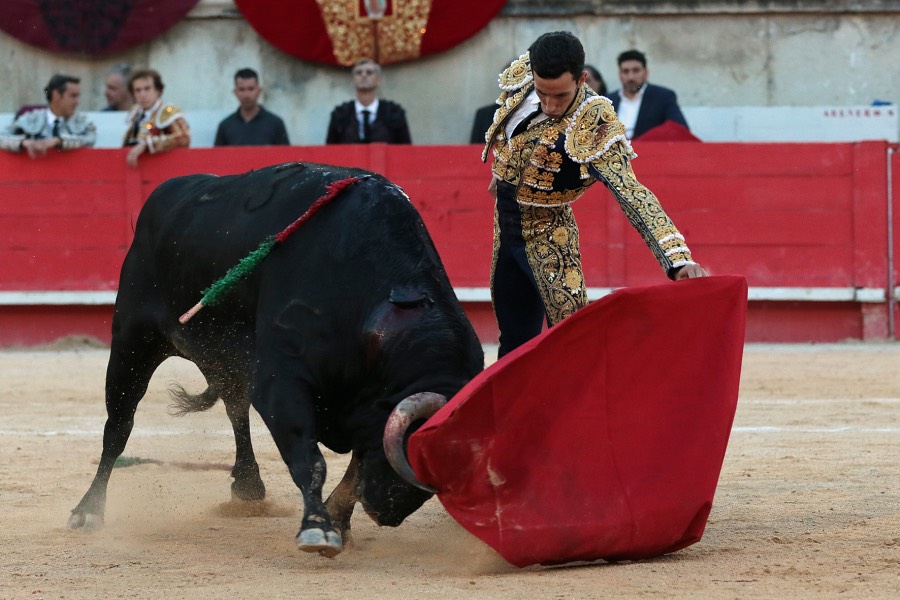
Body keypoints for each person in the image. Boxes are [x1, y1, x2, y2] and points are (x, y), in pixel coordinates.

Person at [482, 31, 708, 358]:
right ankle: (513, 411)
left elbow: (632, 193)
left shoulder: (595, 121)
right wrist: (502, 172)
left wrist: (677, 258)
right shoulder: (524, 78)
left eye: (559, 96)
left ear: (582, 78)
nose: (550, 105)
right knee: (514, 339)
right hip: (505, 227)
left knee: (572, 338)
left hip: (549, 236)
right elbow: (510, 125)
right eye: (542, 93)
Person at [0, 74, 96, 158]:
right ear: (56, 95)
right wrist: (24, 142)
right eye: (73, 96)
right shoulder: (31, 119)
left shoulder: (82, 122)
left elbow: (90, 140)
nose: (77, 102)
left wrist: (58, 141)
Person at [606, 49, 689, 139]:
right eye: (626, 71)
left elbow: (680, 129)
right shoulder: (607, 100)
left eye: (636, 70)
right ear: (620, 74)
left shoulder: (663, 97)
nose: (631, 77)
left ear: (646, 72)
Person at [326, 59, 411, 144]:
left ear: (378, 80)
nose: (364, 75)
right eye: (359, 73)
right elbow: (329, 152)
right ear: (353, 80)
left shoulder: (394, 113)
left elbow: (406, 151)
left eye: (369, 72)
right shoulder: (340, 114)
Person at [123, 67, 190, 167]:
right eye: (138, 90)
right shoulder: (135, 114)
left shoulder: (168, 112)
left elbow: (184, 138)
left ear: (158, 90)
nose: (142, 94)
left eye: (147, 89)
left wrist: (147, 144)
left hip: (164, 167)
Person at [214, 68, 290, 146]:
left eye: (251, 89)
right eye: (241, 89)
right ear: (235, 92)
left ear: (259, 91)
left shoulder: (275, 123)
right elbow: (218, 157)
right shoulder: (225, 126)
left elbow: (286, 156)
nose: (246, 95)